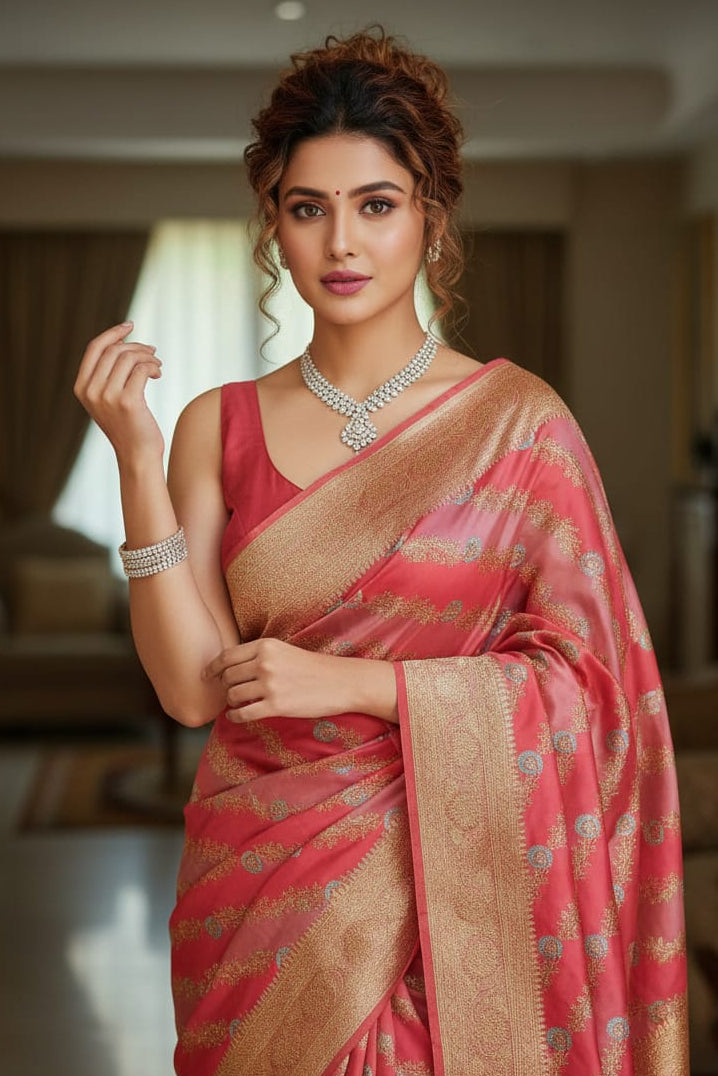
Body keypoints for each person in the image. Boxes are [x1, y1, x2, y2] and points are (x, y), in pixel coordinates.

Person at [74, 27, 689, 1076]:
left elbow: (591, 689)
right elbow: (190, 689)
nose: (341, 244)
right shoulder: (215, 424)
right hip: (259, 885)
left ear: (428, 217)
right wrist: (136, 461)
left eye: (376, 204)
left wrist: (354, 682)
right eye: (308, 208)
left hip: (449, 885)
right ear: (274, 221)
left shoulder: (518, 425)